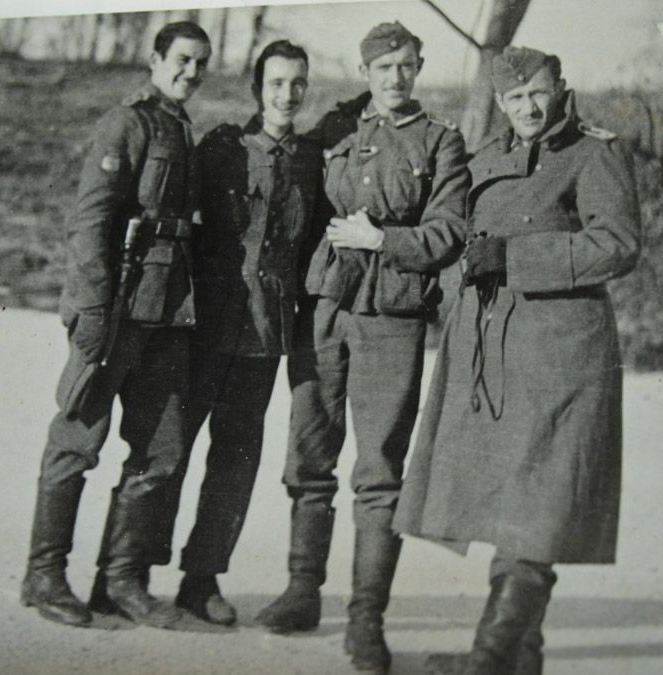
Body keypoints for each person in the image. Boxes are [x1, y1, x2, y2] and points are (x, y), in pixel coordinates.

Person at [393, 46, 642, 674]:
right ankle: (517, 661)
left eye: (537, 93)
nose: (528, 108)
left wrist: (516, 256)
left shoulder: (593, 151)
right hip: (495, 350)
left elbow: (617, 244)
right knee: (514, 506)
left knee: (539, 508)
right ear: (501, 103)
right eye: (514, 98)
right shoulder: (488, 158)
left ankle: (485, 661)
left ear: (560, 87)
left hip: (563, 356)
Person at [255, 22, 469, 674]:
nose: (396, 78)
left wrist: (385, 242)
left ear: (420, 67)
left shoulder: (441, 141)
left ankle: (366, 619)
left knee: (378, 470)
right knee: (309, 451)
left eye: (406, 66)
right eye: (384, 67)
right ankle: (301, 589)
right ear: (367, 71)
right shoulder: (336, 133)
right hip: (326, 307)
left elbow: (451, 230)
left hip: (394, 315)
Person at [19, 21, 210, 631]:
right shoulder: (126, 124)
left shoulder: (181, 127)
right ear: (155, 59)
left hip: (167, 312)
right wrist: (94, 314)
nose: (191, 72)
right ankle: (44, 575)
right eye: (182, 60)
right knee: (78, 439)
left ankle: (120, 581)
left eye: (201, 63)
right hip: (121, 309)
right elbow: (91, 224)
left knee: (161, 449)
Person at [164, 40, 325, 627]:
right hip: (205, 324)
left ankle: (200, 581)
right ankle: (123, 573)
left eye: (298, 83)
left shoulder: (314, 159)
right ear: (259, 88)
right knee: (168, 450)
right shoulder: (223, 148)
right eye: (277, 82)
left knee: (233, 460)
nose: (288, 94)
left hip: (263, 333)